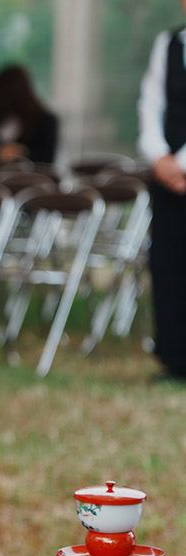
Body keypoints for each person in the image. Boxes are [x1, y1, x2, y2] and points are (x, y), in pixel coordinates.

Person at [138, 9, 186, 382]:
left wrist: (182, 163)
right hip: (166, 175)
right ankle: (174, 357)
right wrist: (159, 157)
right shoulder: (167, 43)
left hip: (180, 168)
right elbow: (150, 105)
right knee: (167, 263)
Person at [0, 64, 59, 164]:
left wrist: (22, 152)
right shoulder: (3, 120)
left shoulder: (46, 120)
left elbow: (47, 158)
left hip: (30, 178)